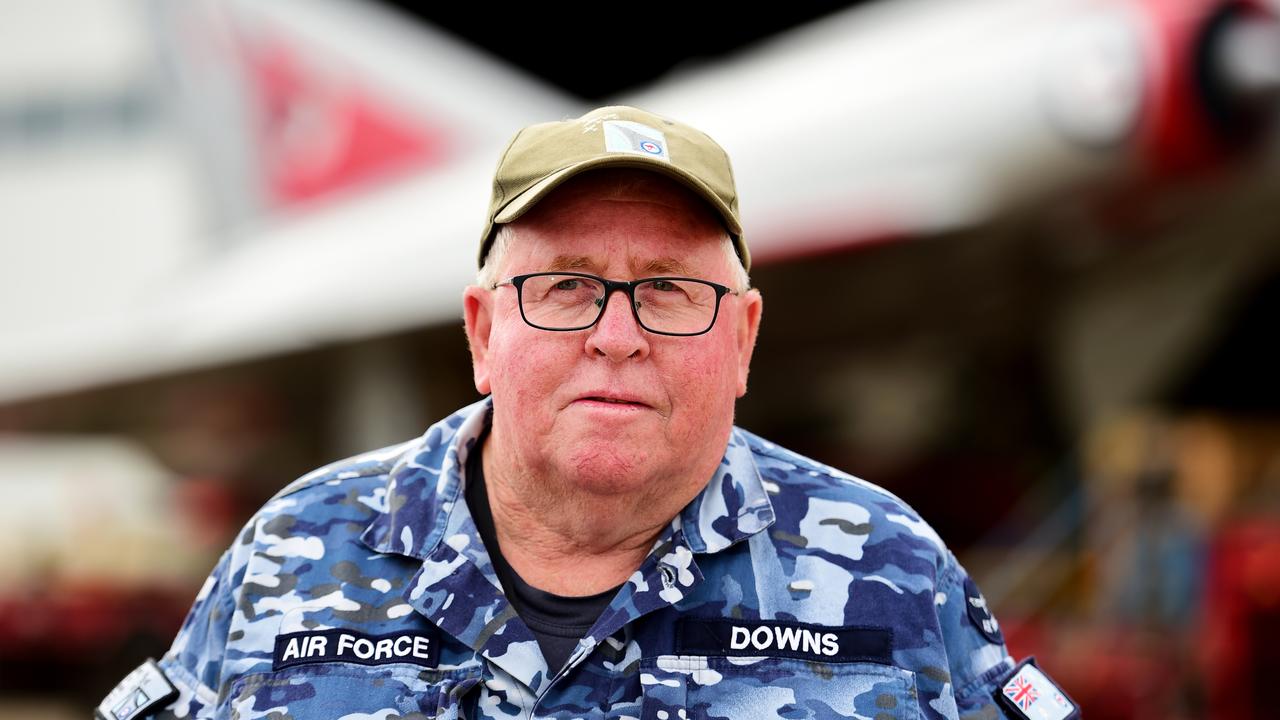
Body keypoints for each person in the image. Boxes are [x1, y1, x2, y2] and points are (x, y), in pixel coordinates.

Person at [97, 105, 1078, 720]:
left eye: (668, 290)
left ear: (740, 340)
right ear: (482, 333)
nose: (616, 335)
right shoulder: (294, 555)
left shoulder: (887, 571)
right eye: (565, 287)